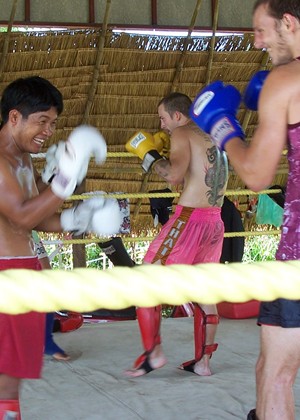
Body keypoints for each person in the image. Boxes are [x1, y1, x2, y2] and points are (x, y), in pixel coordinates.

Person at [189, 1, 300, 418]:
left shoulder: (285, 80)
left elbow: (255, 175)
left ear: (288, 22)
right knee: (265, 369)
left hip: (297, 260)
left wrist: (222, 126)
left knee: (276, 376)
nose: (257, 42)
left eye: (261, 30)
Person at [0, 76, 120, 419]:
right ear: (14, 118)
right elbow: (22, 218)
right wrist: (64, 180)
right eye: (42, 122)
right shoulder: (1, 162)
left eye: (53, 123)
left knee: (13, 375)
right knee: (6, 378)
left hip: (23, 270)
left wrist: (78, 219)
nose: (49, 131)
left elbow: (35, 218)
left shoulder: (22, 160)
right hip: (5, 274)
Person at [125, 92, 228, 377]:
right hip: (215, 222)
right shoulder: (214, 136)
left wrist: (148, 155)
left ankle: (153, 353)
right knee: (205, 291)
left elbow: (173, 175)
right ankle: (203, 363)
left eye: (163, 118)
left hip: (189, 220)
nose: (162, 126)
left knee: (145, 280)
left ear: (178, 116)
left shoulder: (183, 132)